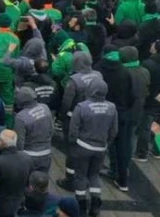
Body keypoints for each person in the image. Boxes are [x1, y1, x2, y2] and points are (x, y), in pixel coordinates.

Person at [67, 78, 117, 217]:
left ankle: (81, 206)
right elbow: (114, 130)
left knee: (81, 177)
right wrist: (106, 143)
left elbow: (73, 130)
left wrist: (73, 143)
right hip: (100, 148)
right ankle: (95, 205)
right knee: (94, 175)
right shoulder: (112, 107)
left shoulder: (82, 107)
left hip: (82, 146)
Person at [13, 86, 53, 174]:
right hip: (46, 153)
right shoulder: (45, 108)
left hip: (29, 156)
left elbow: (19, 143)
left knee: (28, 184)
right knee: (42, 183)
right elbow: (51, 130)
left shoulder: (21, 117)